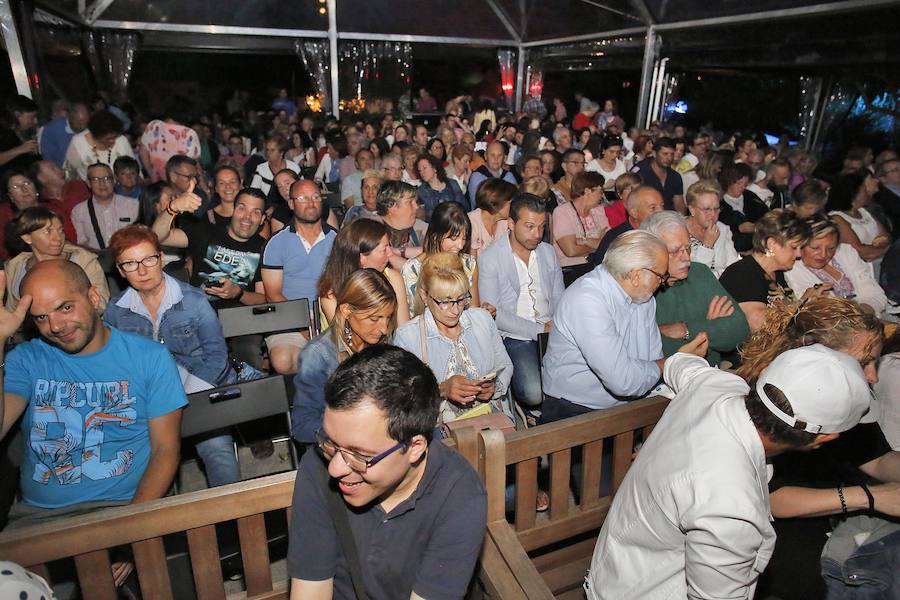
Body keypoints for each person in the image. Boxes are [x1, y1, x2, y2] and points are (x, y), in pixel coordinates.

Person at [585, 343, 873, 600]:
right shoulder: (731, 507)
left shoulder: (717, 385)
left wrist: (687, 353)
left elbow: (679, 364)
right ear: (824, 439)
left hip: (618, 565)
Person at [0, 259, 185, 537]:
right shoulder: (26, 360)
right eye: (41, 317)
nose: (56, 326)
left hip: (124, 509)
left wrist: (131, 533)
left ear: (93, 296)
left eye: (65, 307)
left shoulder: (148, 358)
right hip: (40, 519)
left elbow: (165, 451)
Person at [287, 344, 486, 599]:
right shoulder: (318, 466)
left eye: (360, 455)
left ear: (415, 447)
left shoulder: (460, 497)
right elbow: (310, 590)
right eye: (330, 442)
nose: (335, 468)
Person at [735, 297, 892, 600]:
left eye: (876, 362)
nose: (872, 376)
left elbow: (876, 457)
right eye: (863, 363)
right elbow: (770, 500)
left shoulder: (842, 393)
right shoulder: (777, 402)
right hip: (776, 535)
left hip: (835, 518)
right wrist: (871, 498)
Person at [103, 226, 243, 487]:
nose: (142, 270)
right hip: (145, 398)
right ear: (121, 271)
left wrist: (188, 397)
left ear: (161, 259)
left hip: (196, 388)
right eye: (131, 264)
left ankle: (233, 520)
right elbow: (113, 365)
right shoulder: (116, 312)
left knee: (218, 451)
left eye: (148, 259)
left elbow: (216, 356)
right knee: (133, 461)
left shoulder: (193, 301)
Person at [542, 230, 709, 422]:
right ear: (636, 275)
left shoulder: (643, 297)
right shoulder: (587, 300)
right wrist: (674, 361)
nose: (662, 284)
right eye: (661, 277)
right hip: (575, 411)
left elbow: (650, 358)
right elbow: (623, 381)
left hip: (626, 405)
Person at [394, 253, 513, 426]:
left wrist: (494, 387)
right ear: (424, 296)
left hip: (490, 416)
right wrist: (441, 389)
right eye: (445, 301)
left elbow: (505, 364)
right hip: (440, 427)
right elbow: (403, 396)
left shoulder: (482, 319)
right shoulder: (408, 337)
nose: (455, 310)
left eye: (461, 299)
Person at [479, 193, 565, 412]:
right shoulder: (490, 258)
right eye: (529, 226)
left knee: (577, 384)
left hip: (552, 329)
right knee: (533, 393)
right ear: (510, 224)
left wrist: (559, 326)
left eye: (541, 226)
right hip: (515, 334)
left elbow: (559, 297)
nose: (537, 234)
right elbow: (494, 314)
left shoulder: (547, 252)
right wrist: (540, 329)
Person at [291, 269, 397, 443]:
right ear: (347, 310)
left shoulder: (380, 339)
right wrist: (352, 430)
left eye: (388, 317)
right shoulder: (318, 355)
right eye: (374, 318)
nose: (384, 328)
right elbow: (303, 426)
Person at [641, 211, 749, 366]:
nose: (686, 258)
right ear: (650, 252)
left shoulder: (699, 273)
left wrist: (686, 330)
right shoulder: (641, 290)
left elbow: (740, 329)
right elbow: (653, 356)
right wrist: (710, 328)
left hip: (710, 376)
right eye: (675, 251)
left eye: (688, 248)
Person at [262, 179, 337, 375]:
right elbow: (273, 294)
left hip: (329, 315)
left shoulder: (337, 239)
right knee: (283, 360)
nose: (311, 203)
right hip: (290, 317)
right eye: (303, 198)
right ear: (291, 203)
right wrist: (304, 325)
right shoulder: (277, 242)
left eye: (315, 197)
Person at [152, 185, 268, 309]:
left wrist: (239, 293)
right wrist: (173, 208)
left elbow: (263, 299)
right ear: (233, 210)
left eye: (256, 212)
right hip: (198, 315)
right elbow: (158, 237)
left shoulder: (264, 249)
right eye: (242, 208)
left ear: (262, 219)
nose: (247, 217)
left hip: (239, 321)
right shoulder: (206, 232)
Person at [719, 209, 812, 331]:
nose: (799, 254)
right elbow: (760, 328)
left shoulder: (776, 273)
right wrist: (803, 304)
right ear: (772, 244)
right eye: (794, 247)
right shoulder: (741, 274)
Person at [4, 207, 110, 311]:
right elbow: (12, 311)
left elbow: (100, 303)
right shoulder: (16, 267)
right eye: (47, 231)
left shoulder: (83, 260)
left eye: (60, 231)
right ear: (27, 238)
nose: (58, 238)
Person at [785, 213, 888, 316]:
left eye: (831, 248)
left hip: (869, 317)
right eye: (815, 248)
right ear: (800, 245)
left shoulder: (846, 252)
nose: (824, 254)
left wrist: (863, 312)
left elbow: (876, 294)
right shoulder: (792, 270)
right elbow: (818, 313)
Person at [400, 201, 486, 318]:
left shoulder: (469, 264)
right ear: (435, 236)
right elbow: (411, 316)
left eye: (464, 238)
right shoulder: (413, 269)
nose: (460, 245)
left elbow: (473, 309)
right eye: (453, 239)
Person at [317, 218, 409, 326]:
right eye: (384, 250)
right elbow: (343, 338)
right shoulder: (331, 295)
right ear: (361, 258)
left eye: (389, 246)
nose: (390, 254)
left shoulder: (393, 279)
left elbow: (403, 329)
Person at [827, 171, 891, 278]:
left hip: (881, 263)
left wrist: (878, 248)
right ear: (854, 194)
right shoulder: (837, 218)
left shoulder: (864, 212)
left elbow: (886, 237)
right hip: (860, 271)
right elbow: (859, 251)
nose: (866, 192)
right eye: (863, 189)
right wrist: (886, 250)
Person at [552, 171, 610, 285]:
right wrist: (597, 245)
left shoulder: (599, 211)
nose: (602, 195)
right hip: (570, 270)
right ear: (587, 191)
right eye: (600, 190)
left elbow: (609, 243)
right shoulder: (562, 212)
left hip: (596, 266)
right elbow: (571, 251)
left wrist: (583, 241)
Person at [70, 162, 140, 251]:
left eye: (106, 178)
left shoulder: (133, 205)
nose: (102, 183)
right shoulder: (79, 211)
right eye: (96, 179)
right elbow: (81, 243)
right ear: (88, 183)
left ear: (113, 181)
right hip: (95, 259)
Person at [589, 185, 664, 265]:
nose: (661, 211)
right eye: (653, 208)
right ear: (634, 213)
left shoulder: (666, 232)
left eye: (662, 205)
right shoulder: (616, 240)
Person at [684, 179, 740, 277]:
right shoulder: (679, 231)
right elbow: (694, 275)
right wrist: (707, 246)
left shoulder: (722, 229)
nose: (713, 215)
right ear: (692, 209)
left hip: (720, 287)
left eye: (716, 209)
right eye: (707, 209)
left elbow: (732, 266)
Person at [63, 110, 132, 182]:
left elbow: (135, 171)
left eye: (115, 137)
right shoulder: (78, 142)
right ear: (96, 135)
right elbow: (68, 172)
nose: (113, 141)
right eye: (108, 138)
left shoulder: (121, 140)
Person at [717, 161, 770, 253]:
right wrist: (738, 228)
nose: (742, 187)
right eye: (738, 183)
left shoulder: (750, 197)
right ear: (728, 182)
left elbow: (766, 214)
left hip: (757, 246)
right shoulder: (719, 203)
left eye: (745, 184)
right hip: (733, 248)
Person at [375, 180, 428, 263]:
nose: (416, 207)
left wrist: (401, 252)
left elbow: (439, 248)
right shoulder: (372, 231)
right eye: (410, 202)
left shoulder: (418, 226)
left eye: (416, 202)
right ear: (391, 206)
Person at [140, 114, 201, 183]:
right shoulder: (189, 134)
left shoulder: (153, 125)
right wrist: (206, 189)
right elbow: (194, 165)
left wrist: (152, 174)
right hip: (181, 186)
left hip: (158, 184)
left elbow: (143, 153)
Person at [630, 137, 684, 212]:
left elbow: (679, 205)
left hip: (669, 219)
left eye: (671, 154)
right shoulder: (639, 172)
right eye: (665, 154)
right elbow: (630, 200)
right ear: (654, 153)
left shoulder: (675, 176)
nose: (669, 158)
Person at [468, 178, 515, 257]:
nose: (513, 206)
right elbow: (470, 264)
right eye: (510, 203)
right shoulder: (471, 222)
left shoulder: (504, 222)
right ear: (498, 203)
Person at [467, 141, 517, 208]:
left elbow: (514, 203)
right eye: (492, 155)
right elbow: (479, 205)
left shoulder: (509, 177)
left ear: (504, 158)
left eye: (499, 155)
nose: (496, 159)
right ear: (485, 156)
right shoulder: (477, 177)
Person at [39, 102, 89, 168]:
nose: (83, 127)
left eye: (85, 123)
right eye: (80, 123)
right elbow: (48, 159)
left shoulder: (87, 130)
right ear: (70, 118)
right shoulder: (52, 130)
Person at [415, 153, 465, 220]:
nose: (422, 173)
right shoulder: (421, 191)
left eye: (424, 168)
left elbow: (462, 207)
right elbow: (427, 216)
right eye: (420, 170)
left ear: (435, 168)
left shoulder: (452, 184)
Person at [0, 95, 40, 173]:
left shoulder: (24, 132)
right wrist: (21, 149)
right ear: (17, 114)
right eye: (32, 117)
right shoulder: (3, 133)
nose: (35, 121)